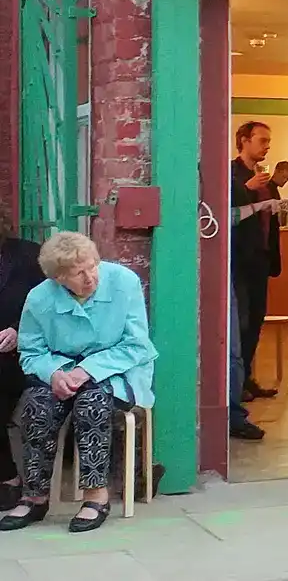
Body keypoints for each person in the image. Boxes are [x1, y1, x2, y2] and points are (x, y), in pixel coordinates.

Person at [0, 232, 158, 533]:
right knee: (37, 404)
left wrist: (87, 370)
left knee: (92, 403)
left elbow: (137, 345)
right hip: (62, 371)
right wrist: (55, 373)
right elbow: (31, 351)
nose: (90, 277)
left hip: (117, 370)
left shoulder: (123, 282)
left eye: (93, 266)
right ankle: (35, 496)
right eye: (78, 273)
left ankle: (95, 497)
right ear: (59, 278)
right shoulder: (40, 298)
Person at [231, 121, 281, 401]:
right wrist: (247, 189)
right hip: (240, 258)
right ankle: (235, 381)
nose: (266, 146)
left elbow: (269, 220)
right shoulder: (231, 174)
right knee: (241, 321)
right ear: (244, 141)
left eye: (268, 141)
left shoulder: (266, 179)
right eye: (261, 140)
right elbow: (228, 213)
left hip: (260, 257)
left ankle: (246, 377)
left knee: (256, 318)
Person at [0, 208, 45, 510]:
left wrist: (19, 330)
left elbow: (51, 307)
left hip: (21, 354)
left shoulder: (29, 256)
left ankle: (8, 479)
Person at [228, 197, 282, 441]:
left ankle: (239, 399)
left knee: (238, 342)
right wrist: (258, 205)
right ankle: (234, 415)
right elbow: (225, 217)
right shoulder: (233, 179)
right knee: (233, 345)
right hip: (234, 267)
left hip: (246, 267)